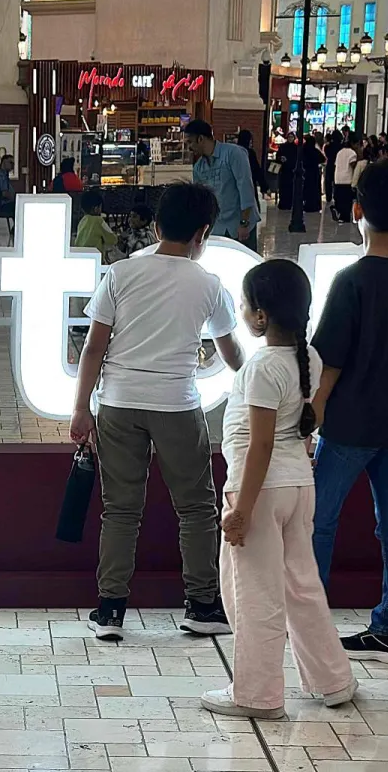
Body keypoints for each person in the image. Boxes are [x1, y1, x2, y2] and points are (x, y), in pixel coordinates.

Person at [70, 182, 244, 641]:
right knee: (196, 508)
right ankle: (202, 605)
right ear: (203, 233)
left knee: (120, 510)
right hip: (177, 406)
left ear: (154, 225)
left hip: (118, 403)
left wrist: (81, 408)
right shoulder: (208, 284)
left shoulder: (122, 273)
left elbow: (93, 348)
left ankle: (110, 610)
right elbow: (231, 354)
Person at [201, 259, 356, 720]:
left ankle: (257, 694)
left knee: (253, 594)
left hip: (260, 492)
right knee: (301, 587)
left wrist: (240, 510)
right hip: (297, 487)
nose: (244, 312)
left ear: (261, 315)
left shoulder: (261, 367)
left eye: (245, 305)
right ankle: (333, 680)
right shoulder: (308, 358)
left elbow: (261, 445)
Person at [310, 159, 388, 666]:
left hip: (348, 422)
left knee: (318, 520)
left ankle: (311, 619)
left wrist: (311, 415)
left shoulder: (351, 279)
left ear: (356, 209)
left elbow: (331, 361)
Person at [185, 119, 257, 245]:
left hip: (240, 225)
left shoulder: (234, 154)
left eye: (190, 142)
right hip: (217, 229)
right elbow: (202, 200)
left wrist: (244, 223)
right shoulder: (199, 167)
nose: (189, 147)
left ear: (201, 139)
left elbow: (245, 188)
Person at [73, 188, 118, 261]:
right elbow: (112, 239)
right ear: (96, 208)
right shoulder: (99, 221)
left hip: (80, 255)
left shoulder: (82, 221)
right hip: (95, 257)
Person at [331, 137, 358, 224]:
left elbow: (336, 164)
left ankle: (337, 210)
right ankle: (344, 217)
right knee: (346, 200)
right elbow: (352, 164)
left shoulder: (340, 152)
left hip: (338, 178)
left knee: (339, 198)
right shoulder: (352, 153)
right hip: (347, 179)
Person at [236, 129, 268, 197]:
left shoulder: (233, 152)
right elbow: (256, 170)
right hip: (249, 183)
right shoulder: (249, 153)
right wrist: (264, 186)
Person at [302, 135, 325, 213]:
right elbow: (323, 158)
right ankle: (315, 206)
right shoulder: (315, 151)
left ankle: (306, 205)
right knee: (314, 189)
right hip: (314, 172)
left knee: (306, 189)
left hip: (305, 172)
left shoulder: (303, 149)